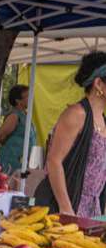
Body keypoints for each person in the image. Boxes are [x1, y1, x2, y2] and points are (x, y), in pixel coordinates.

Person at [35, 52, 106, 217]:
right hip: (67, 205)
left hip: (91, 209)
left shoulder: (102, 120)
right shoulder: (77, 114)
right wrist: (66, 209)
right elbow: (54, 161)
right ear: (99, 84)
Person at [0, 84, 36, 177]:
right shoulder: (14, 116)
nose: (31, 98)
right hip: (12, 162)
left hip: (22, 161)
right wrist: (12, 147)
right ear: (18, 101)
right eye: (28, 96)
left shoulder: (25, 115)